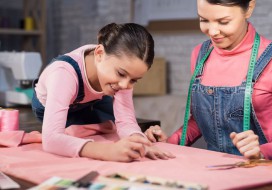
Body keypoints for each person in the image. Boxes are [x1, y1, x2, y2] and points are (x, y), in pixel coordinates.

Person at [145, 0, 272, 160]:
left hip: (261, 173)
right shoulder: (200, 54)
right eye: (204, 20)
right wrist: (169, 143)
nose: (212, 31)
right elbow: (200, 119)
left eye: (223, 21)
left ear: (249, 9)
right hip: (211, 169)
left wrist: (262, 152)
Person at [32, 22, 175, 162]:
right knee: (72, 134)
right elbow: (51, 139)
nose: (125, 85)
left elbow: (126, 121)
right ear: (99, 54)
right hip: (53, 103)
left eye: (134, 80)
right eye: (120, 73)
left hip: (92, 100)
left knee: (112, 128)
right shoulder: (63, 74)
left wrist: (140, 142)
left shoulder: (119, 75)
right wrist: (106, 151)